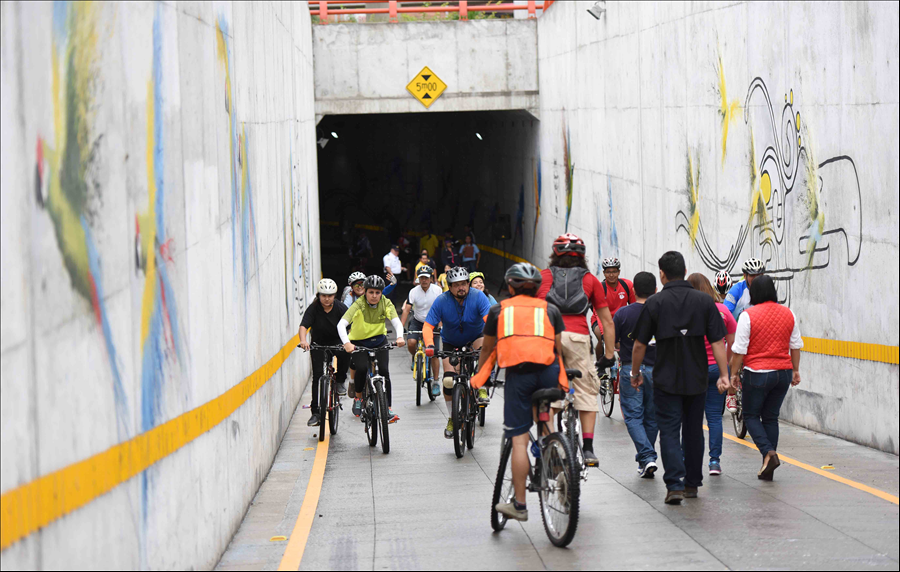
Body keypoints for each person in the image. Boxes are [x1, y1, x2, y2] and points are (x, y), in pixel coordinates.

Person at [471, 263, 569, 522]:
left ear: (510, 286)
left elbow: (487, 349)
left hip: (520, 376)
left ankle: (520, 505)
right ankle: (555, 456)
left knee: (519, 440)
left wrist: (483, 376)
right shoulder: (551, 310)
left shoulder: (498, 310)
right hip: (548, 373)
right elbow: (559, 349)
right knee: (543, 416)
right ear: (537, 288)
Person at [630, 251, 729, 505]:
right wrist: (724, 375)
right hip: (696, 378)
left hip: (666, 379)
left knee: (670, 431)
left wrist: (635, 373)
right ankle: (692, 483)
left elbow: (640, 344)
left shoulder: (655, 303)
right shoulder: (704, 302)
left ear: (662, 274)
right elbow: (718, 341)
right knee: (694, 430)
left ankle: (674, 485)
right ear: (685, 271)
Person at [536, 234, 617, 466]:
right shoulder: (590, 280)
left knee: (548, 395)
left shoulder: (543, 277)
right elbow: (607, 322)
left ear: (554, 254)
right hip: (579, 338)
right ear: (582, 257)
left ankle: (550, 445)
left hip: (549, 337)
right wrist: (609, 355)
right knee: (586, 392)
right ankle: (589, 449)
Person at [730, 275, 803, 481]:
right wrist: (795, 370)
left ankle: (768, 453)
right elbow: (795, 345)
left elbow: (739, 350)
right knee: (771, 417)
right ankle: (768, 464)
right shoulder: (788, 313)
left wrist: (734, 374)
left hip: (758, 373)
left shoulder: (748, 315)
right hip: (782, 373)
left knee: (752, 415)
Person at [423, 267, 493, 438]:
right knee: (448, 381)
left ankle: (481, 385)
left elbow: (489, 320)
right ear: (449, 286)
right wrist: (430, 345)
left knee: (486, 349)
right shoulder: (441, 301)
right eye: (456, 285)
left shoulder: (478, 297)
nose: (461, 287)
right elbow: (428, 326)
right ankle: (452, 418)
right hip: (451, 342)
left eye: (464, 284)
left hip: (475, 337)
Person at [687, 273, 737, 476]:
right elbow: (732, 343)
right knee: (715, 417)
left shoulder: (688, 311)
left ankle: (689, 460)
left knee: (692, 418)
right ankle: (714, 462)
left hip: (694, 369)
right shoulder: (723, 310)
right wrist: (727, 367)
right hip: (717, 369)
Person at [338, 275, 405, 424]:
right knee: (361, 368)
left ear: (381, 293)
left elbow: (397, 322)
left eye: (377, 292)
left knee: (384, 371)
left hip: (379, 341)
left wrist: (400, 337)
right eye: (371, 292)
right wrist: (347, 343)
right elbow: (341, 324)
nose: (374, 296)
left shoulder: (385, 303)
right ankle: (358, 397)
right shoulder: (359, 304)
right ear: (365, 292)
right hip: (358, 342)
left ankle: (387, 408)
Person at [613, 272, 659, 478]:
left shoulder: (622, 314)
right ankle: (646, 460)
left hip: (631, 369)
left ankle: (647, 456)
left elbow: (614, 342)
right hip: (658, 370)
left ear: (633, 291)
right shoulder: (661, 312)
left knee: (633, 415)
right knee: (652, 417)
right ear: (656, 290)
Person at [299, 279, 351, 427]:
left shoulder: (341, 308)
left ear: (334, 295)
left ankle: (340, 381)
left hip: (337, 342)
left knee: (345, 354)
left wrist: (349, 342)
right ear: (318, 295)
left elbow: (351, 324)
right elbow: (304, 326)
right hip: (318, 345)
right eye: (323, 295)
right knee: (317, 377)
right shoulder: (314, 308)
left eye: (330, 295)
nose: (326, 299)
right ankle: (315, 413)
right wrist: (303, 340)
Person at [401, 266, 443, 396]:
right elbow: (406, 310)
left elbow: (442, 310)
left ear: (431, 278)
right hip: (417, 321)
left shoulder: (438, 290)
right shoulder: (413, 292)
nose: (424, 280)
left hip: (433, 324)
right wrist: (400, 329)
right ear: (418, 279)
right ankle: (415, 357)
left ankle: (436, 381)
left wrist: (441, 326)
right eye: (421, 278)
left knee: (434, 353)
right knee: (411, 342)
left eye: (426, 277)